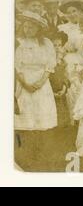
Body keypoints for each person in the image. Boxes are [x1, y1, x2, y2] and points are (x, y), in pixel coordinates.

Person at [15, 11, 58, 154]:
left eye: (32, 27)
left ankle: (44, 149)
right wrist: (25, 84)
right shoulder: (19, 43)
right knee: (27, 113)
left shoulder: (46, 43)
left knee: (43, 111)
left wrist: (41, 82)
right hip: (24, 81)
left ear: (38, 28)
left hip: (42, 82)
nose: (28, 30)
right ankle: (26, 148)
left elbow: (50, 65)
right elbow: (17, 67)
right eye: (26, 27)